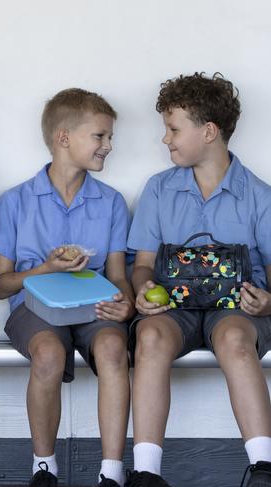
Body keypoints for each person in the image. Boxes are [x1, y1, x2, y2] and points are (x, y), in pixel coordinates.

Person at [0, 88, 134, 487]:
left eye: (109, 137)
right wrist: (46, 268)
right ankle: (44, 468)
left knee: (114, 347)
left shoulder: (111, 202)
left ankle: (111, 473)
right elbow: (0, 286)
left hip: (93, 309)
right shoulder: (16, 202)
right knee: (48, 353)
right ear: (64, 137)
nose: (109, 146)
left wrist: (125, 302)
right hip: (35, 310)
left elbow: (117, 277)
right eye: (100, 136)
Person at [126, 72, 271, 487]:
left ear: (209, 132)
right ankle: (146, 473)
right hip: (173, 308)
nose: (165, 139)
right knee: (150, 338)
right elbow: (143, 264)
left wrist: (267, 303)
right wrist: (141, 291)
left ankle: (263, 468)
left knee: (233, 341)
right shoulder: (158, 190)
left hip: (238, 313)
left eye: (173, 129)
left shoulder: (260, 197)